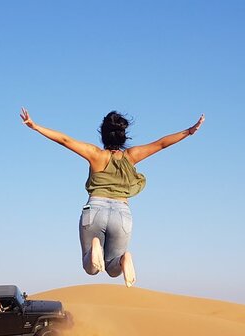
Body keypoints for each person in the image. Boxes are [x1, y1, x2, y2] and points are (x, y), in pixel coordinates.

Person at [20, 108, 204, 287]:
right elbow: (161, 143)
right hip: (122, 213)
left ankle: (94, 249)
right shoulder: (131, 156)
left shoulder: (95, 154)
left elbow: (65, 140)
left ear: (103, 134)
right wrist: (189, 131)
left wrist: (35, 126)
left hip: (94, 209)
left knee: (90, 269)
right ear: (123, 135)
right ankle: (123, 259)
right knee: (113, 269)